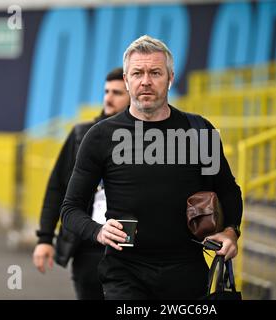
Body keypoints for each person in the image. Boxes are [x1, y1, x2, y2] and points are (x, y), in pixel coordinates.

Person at [61, 35, 243, 300]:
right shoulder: (100, 136)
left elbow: (228, 191)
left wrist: (230, 232)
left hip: (187, 270)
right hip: (124, 271)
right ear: (126, 79)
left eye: (155, 72)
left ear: (170, 78)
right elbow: (70, 208)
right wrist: (97, 231)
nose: (145, 81)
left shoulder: (200, 131)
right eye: (137, 73)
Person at [32, 67, 130, 300]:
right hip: (88, 244)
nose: (108, 97)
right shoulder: (81, 134)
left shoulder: (144, 138)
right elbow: (57, 187)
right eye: (106, 91)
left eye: (117, 92)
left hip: (127, 247)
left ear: (132, 95)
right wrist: (45, 238)